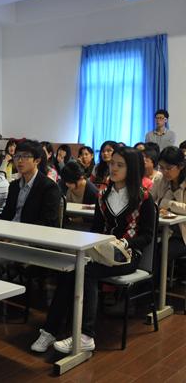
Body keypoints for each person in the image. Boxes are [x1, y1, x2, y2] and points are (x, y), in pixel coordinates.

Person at [31, 146, 155, 354]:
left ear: (132, 168)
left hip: (128, 256)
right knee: (71, 268)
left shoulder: (143, 197)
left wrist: (124, 243)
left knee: (86, 271)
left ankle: (86, 335)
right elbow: (96, 230)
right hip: (102, 253)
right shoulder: (103, 196)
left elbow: (147, 236)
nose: (113, 168)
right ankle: (50, 331)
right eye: (112, 163)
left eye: (120, 165)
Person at [0, 140, 61, 227]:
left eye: (25, 156)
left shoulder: (49, 187)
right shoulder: (14, 186)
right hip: (10, 230)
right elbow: (6, 214)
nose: (19, 161)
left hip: (32, 233)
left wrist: (19, 232)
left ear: (37, 161)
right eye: (17, 156)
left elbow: (47, 221)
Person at [149, 146, 186, 260]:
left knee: (162, 253)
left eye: (169, 168)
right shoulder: (160, 179)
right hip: (163, 230)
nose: (164, 172)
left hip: (183, 235)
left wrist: (163, 202)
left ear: (181, 166)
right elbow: (149, 200)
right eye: (161, 167)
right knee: (147, 246)